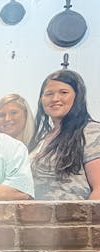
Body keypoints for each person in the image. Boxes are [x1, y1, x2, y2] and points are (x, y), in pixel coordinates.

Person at [28, 69, 100, 201]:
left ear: (77, 97)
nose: (55, 99)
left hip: (74, 219)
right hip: (40, 219)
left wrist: (86, 221)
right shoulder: (44, 139)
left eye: (64, 92)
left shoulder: (91, 132)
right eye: (49, 93)